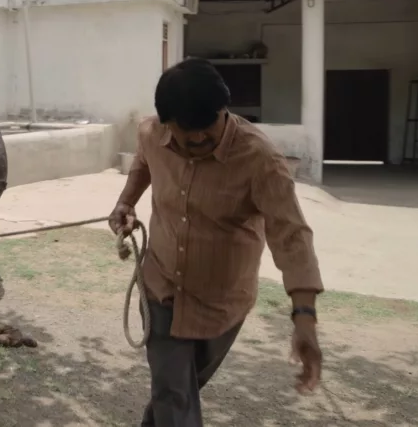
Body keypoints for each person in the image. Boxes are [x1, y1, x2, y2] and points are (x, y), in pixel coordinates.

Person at [109, 57, 324, 427]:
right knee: (174, 395)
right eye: (185, 132)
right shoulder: (151, 134)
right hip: (161, 289)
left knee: (179, 390)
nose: (196, 139)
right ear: (166, 123)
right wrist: (125, 202)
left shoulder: (260, 159)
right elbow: (144, 162)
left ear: (223, 109)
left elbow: (292, 236)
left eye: (205, 128)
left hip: (222, 305)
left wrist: (304, 318)